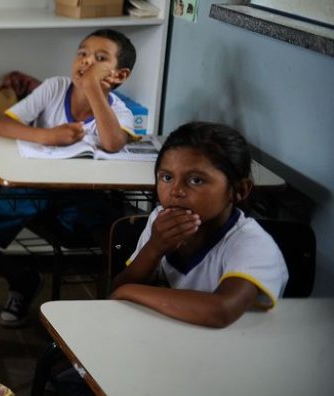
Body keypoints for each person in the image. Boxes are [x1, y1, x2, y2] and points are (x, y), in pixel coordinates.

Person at [0, 28, 139, 327]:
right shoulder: (55, 88)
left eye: (100, 59)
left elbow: (113, 142)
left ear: (119, 75)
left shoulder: (120, 112)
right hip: (32, 190)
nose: (87, 62)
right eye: (82, 53)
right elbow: (1, 126)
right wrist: (46, 136)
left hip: (82, 200)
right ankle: (22, 280)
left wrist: (93, 89)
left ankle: (109, 313)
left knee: (122, 236)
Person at [111, 122, 288, 327]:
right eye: (167, 177)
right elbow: (120, 286)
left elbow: (221, 310)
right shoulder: (160, 221)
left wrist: (129, 291)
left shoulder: (252, 243)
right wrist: (154, 247)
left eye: (196, 180)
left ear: (239, 190)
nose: (176, 190)